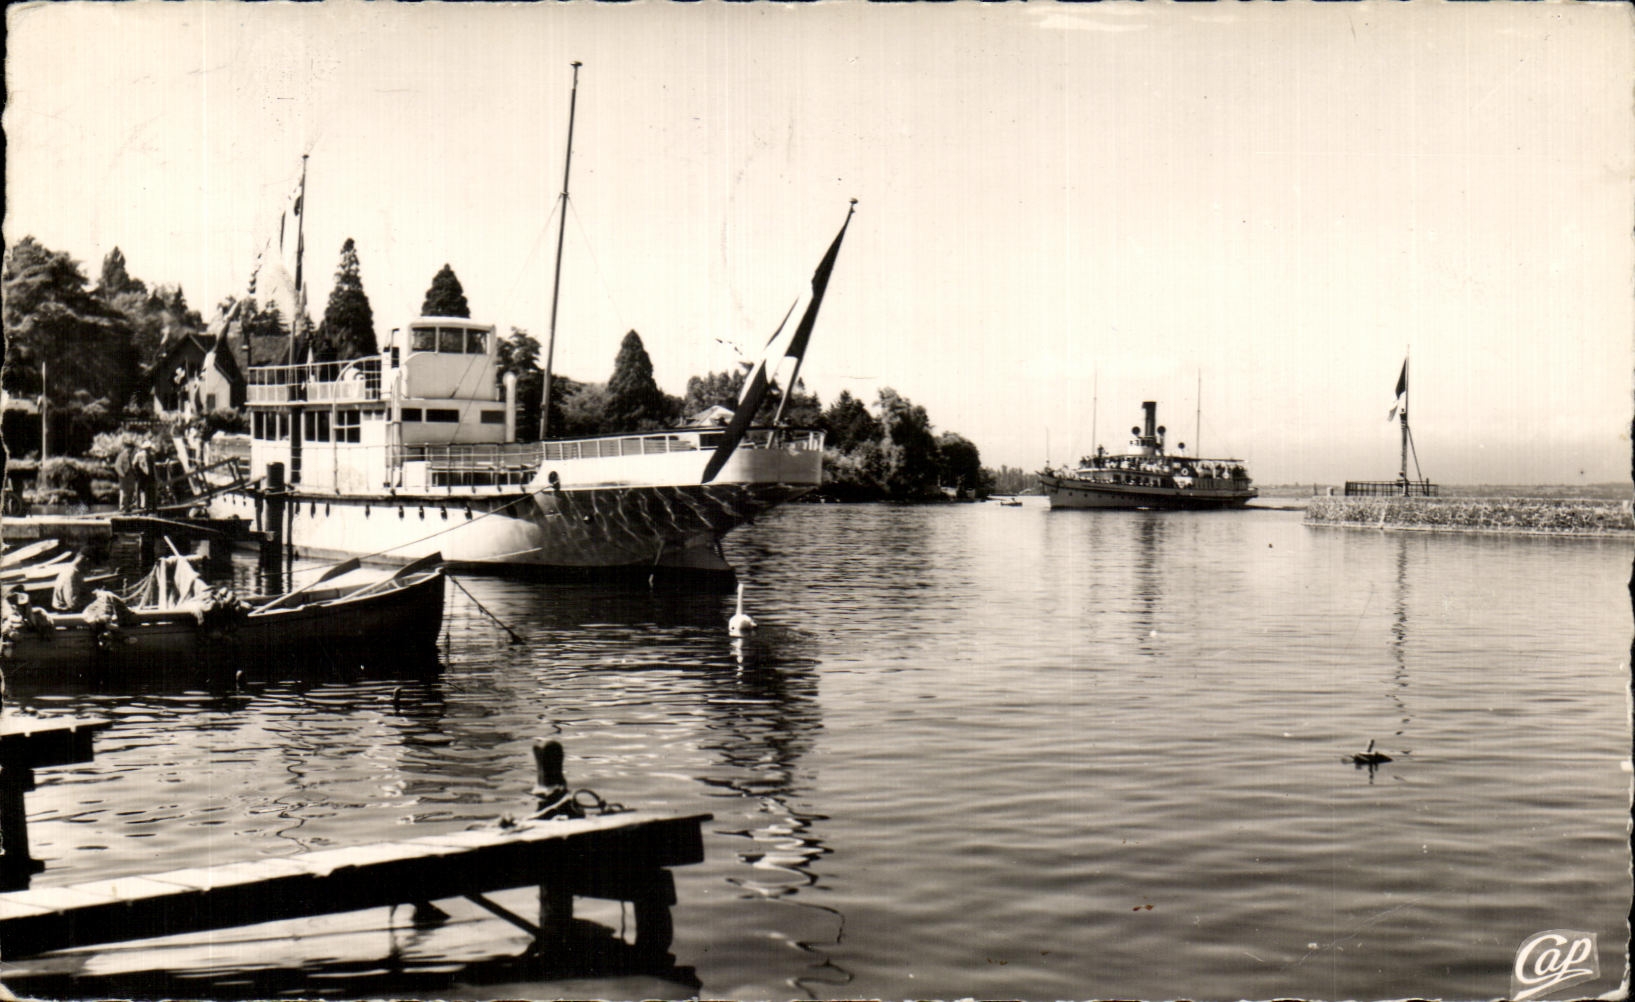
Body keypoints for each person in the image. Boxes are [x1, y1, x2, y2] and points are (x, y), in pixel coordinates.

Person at [115, 442, 137, 512]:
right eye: (131, 448)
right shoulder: (121, 456)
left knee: (131, 490)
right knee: (124, 491)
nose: (132, 450)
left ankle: (128, 506)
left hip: (131, 475)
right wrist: (122, 475)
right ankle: (122, 507)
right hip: (124, 475)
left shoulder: (132, 456)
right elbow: (117, 466)